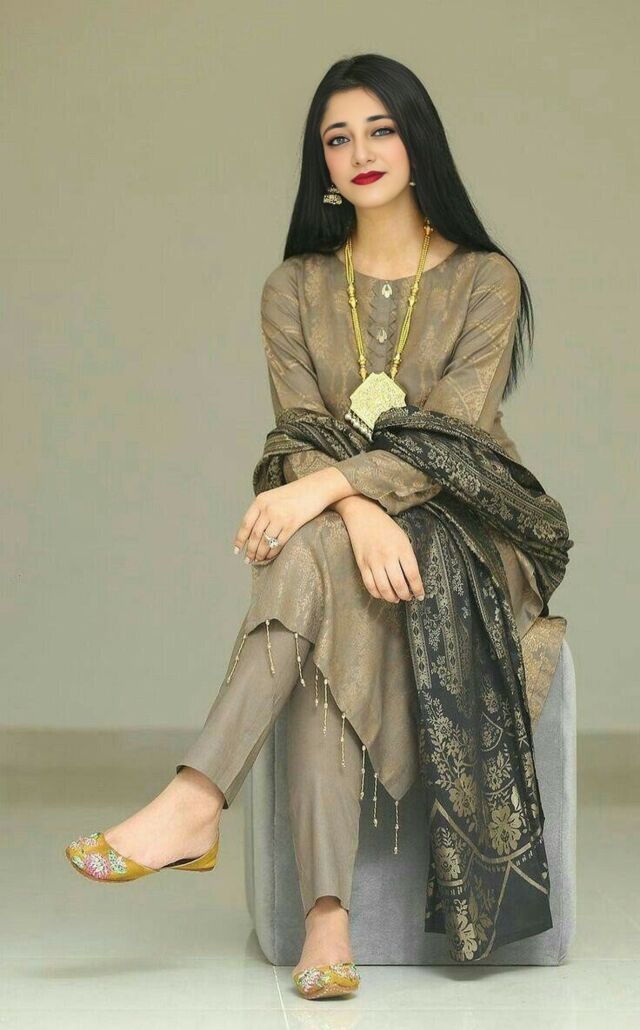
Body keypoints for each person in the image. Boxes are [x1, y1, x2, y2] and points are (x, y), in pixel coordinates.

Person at [64, 53, 567, 999]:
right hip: (346, 530)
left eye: (381, 129)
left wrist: (327, 494)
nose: (361, 151)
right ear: (322, 164)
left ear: (418, 144)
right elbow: (295, 434)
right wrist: (352, 509)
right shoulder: (293, 287)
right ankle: (319, 916)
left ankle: (206, 809)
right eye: (338, 138)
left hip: (469, 525)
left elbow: (453, 440)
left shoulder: (485, 279)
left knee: (307, 550)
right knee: (323, 565)